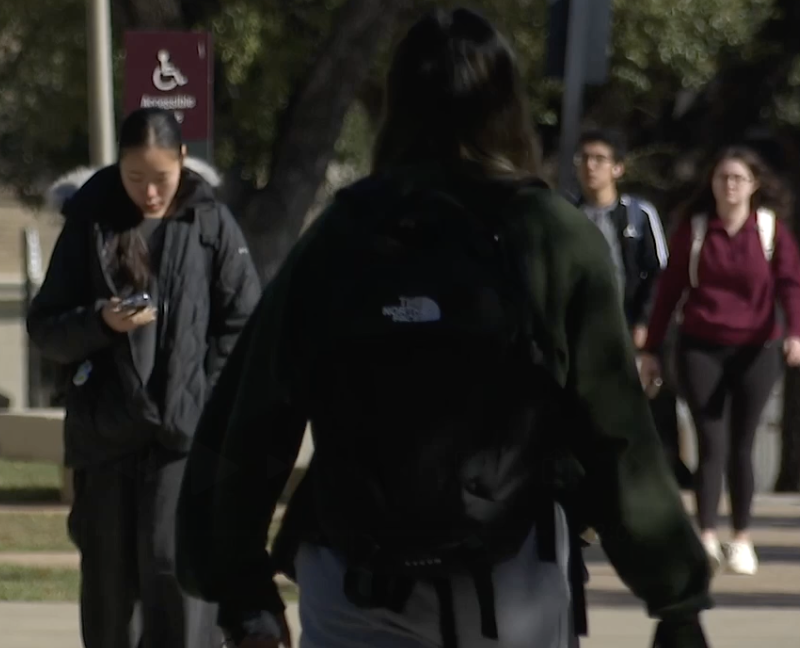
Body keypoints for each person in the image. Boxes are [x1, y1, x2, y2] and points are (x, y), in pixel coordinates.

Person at [176, 8, 711, 648]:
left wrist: (238, 585)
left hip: (357, 584)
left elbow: (253, 411)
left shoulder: (343, 235)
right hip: (513, 582)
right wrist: (674, 597)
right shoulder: (553, 237)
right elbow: (617, 432)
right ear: (508, 108)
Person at [27, 107, 260, 648]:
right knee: (110, 591)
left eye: (161, 179)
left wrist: (202, 394)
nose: (150, 193)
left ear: (183, 161)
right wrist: (100, 322)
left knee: (172, 570)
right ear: (118, 167)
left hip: (183, 435)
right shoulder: (90, 221)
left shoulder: (209, 223)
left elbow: (245, 323)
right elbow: (46, 328)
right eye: (136, 178)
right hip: (106, 434)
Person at [641, 145, 800, 576]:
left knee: (742, 443)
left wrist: (795, 333)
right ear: (711, 184)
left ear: (754, 185)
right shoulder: (694, 231)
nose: (729, 185)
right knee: (711, 441)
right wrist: (651, 348)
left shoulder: (769, 230)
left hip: (757, 348)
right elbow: (669, 289)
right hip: (700, 346)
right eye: (721, 178)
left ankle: (742, 536)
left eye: (737, 178)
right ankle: (706, 534)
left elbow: (789, 283)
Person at [573, 128, 691, 487]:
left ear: (618, 168)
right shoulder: (568, 213)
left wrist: (645, 323)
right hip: (582, 333)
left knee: (636, 411)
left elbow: (660, 275)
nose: (590, 167)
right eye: (584, 158)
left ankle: (642, 481)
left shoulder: (638, 216)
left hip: (630, 331)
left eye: (599, 159)